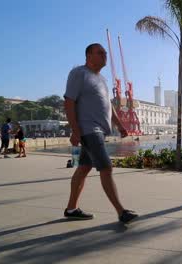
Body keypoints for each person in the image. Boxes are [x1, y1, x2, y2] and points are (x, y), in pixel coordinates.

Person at [63, 43, 138, 224]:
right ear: (88, 56)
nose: (105, 56)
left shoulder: (102, 79)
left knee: (83, 168)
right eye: (100, 53)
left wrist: (120, 126)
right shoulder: (79, 73)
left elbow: (108, 106)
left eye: (105, 53)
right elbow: (69, 101)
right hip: (90, 130)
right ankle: (121, 212)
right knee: (106, 168)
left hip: (99, 131)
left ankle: (71, 208)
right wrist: (75, 130)